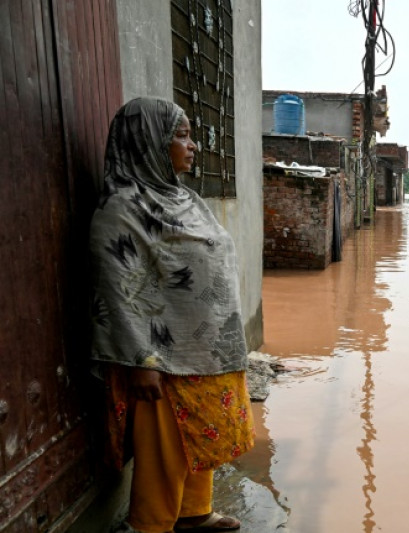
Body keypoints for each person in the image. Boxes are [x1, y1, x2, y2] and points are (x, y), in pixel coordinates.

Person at [89, 97, 254, 532]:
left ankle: (194, 513)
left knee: (201, 435)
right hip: (164, 356)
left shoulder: (183, 197)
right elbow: (116, 290)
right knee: (166, 447)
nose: (193, 145)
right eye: (180, 136)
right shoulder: (122, 209)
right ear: (148, 143)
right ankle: (151, 524)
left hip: (208, 347)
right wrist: (141, 361)